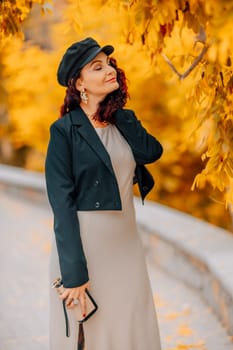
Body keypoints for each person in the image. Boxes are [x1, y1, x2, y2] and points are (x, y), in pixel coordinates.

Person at [45, 37, 163, 350]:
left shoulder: (122, 121)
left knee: (132, 325)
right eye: (97, 67)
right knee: (92, 335)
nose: (109, 69)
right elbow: (62, 205)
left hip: (126, 243)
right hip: (87, 247)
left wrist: (120, 113)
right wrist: (73, 272)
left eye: (109, 63)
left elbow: (152, 152)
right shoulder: (64, 132)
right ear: (79, 83)